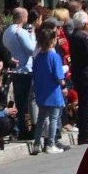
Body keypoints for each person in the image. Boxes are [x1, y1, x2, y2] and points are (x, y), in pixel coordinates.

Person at [30, 22, 67, 154]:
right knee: (54, 119)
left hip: (41, 91)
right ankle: (50, 143)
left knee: (41, 119)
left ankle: (36, 144)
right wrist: (63, 83)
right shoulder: (54, 56)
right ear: (52, 40)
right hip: (53, 91)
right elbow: (58, 76)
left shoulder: (38, 57)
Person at [1, 7, 37, 139]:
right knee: (25, 103)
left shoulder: (7, 31)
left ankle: (21, 128)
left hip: (15, 69)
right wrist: (32, 35)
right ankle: (25, 129)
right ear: (23, 18)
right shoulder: (20, 32)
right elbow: (31, 49)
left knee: (19, 101)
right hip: (24, 70)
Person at [67, 11, 88, 147]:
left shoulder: (75, 35)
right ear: (85, 23)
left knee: (85, 104)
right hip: (85, 75)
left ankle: (84, 132)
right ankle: (84, 134)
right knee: (86, 105)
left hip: (80, 74)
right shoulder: (81, 37)